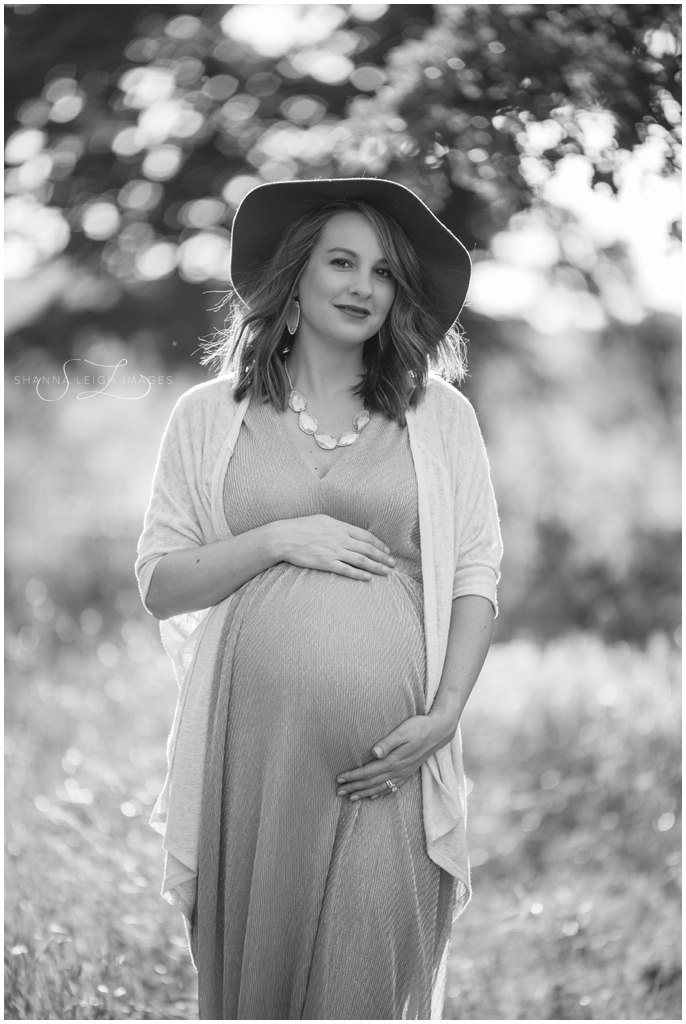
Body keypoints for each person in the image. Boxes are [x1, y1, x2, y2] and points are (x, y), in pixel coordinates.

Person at [134, 176, 503, 1021]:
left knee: (366, 982)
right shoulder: (207, 414)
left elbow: (477, 570)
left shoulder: (438, 417)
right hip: (254, 759)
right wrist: (275, 538)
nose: (361, 286)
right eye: (341, 261)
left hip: (391, 758)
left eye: (382, 272)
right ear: (295, 277)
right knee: (260, 989)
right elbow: (159, 582)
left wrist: (444, 715)